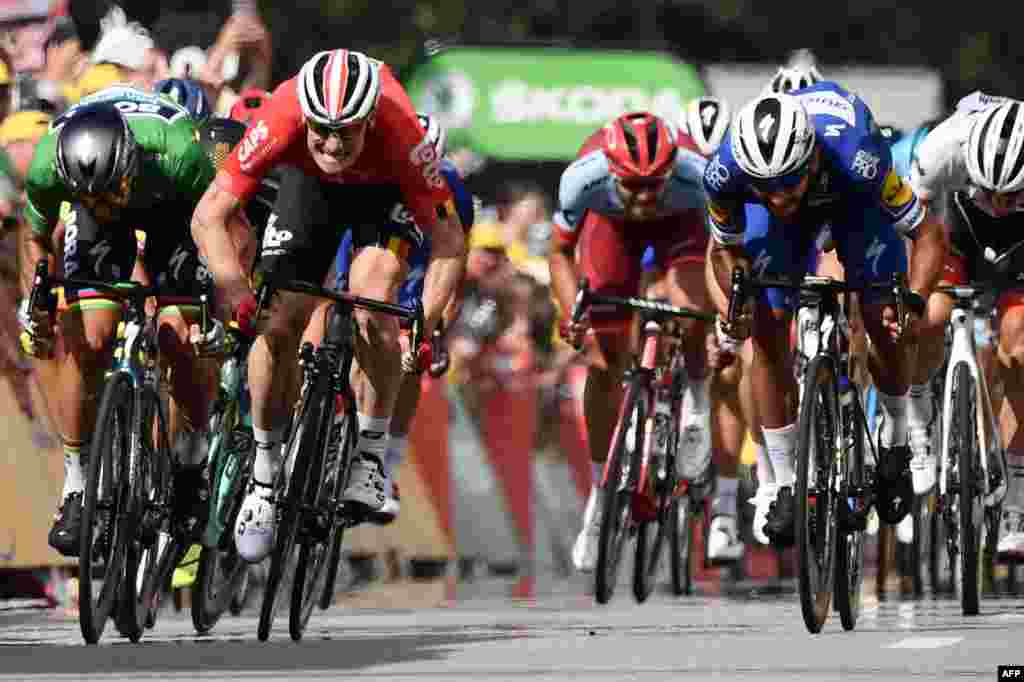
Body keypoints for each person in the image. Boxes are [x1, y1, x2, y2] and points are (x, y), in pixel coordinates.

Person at [190, 49, 466, 563]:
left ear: (370, 119)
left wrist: (424, 319)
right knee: (278, 320)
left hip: (385, 193)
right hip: (307, 190)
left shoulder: (401, 127)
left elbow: (449, 239)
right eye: (323, 129)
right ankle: (265, 476)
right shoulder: (283, 113)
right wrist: (234, 285)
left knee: (374, 300)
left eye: (348, 132)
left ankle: (369, 456)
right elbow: (209, 215)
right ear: (305, 116)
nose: (335, 143)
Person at [706, 83, 946, 546]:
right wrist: (739, 298)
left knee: (885, 316)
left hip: (853, 202)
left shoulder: (859, 156)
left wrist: (913, 301)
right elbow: (726, 250)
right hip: (780, 231)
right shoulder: (725, 172)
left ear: (812, 156)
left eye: (788, 182)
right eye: (766, 187)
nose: (779, 196)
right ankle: (785, 481)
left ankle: (896, 435)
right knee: (767, 327)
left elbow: (928, 235)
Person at [17, 87, 224, 556]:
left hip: (178, 210)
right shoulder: (51, 164)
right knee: (88, 335)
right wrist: (38, 299)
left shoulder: (182, 153)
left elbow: (223, 225)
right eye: (94, 196)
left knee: (178, 336)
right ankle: (76, 485)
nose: (108, 203)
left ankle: (191, 466)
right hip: (93, 216)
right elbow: (33, 238)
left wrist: (218, 305)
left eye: (112, 193)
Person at [549, 112, 718, 571]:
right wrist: (571, 312)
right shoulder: (582, 179)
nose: (644, 196)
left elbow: (722, 252)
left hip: (683, 226)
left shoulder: (699, 176)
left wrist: (719, 312)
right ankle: (602, 496)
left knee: (689, 307)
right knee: (603, 362)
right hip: (611, 230)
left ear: (670, 170)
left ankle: (697, 403)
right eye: (634, 186)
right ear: (612, 172)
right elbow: (560, 252)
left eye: (654, 184)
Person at [328, 115, 475, 523]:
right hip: (361, 235)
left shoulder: (450, 186)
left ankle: (384, 464)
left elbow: (455, 255)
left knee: (404, 354)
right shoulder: (364, 164)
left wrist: (438, 319)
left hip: (419, 255)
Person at [907, 94, 1024, 558]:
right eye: (987, 190)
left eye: (1009, 194)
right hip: (955, 231)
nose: (996, 202)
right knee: (928, 317)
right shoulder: (943, 148)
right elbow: (909, 227)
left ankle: (1016, 495)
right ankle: (919, 415)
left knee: (1018, 347)